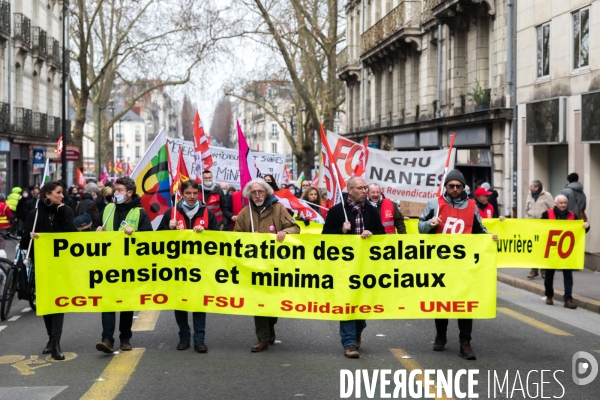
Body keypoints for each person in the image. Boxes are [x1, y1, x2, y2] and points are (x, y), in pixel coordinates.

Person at [418, 170, 497, 360]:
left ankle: (465, 342)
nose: (454, 189)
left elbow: (479, 229)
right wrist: (430, 223)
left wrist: (489, 237)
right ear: (445, 186)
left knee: (465, 303)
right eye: (451, 186)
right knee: (442, 301)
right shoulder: (434, 204)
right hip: (440, 263)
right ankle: (441, 334)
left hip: (464, 264)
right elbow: (420, 229)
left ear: (463, 188)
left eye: (458, 186)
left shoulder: (471, 206)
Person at [234, 178, 300, 352]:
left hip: (275, 265)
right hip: (254, 266)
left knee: (273, 301)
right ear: (249, 194)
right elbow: (235, 237)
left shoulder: (278, 209)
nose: (257, 195)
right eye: (254, 192)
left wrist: (284, 231)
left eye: (260, 192)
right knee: (258, 301)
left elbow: (295, 227)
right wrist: (248, 238)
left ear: (266, 193)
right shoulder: (244, 213)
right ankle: (262, 338)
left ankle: (271, 324)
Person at [322, 177, 385, 358]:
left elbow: (382, 234)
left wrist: (372, 234)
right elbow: (324, 237)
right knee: (347, 302)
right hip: (344, 267)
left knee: (361, 303)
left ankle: (358, 330)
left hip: (365, 267)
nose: (364, 191)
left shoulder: (372, 211)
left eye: (366, 188)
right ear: (349, 190)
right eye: (360, 188)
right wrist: (341, 231)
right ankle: (349, 342)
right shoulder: (336, 211)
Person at [94, 177, 153, 353]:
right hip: (109, 264)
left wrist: (136, 234)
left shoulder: (139, 213)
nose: (115, 193)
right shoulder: (107, 209)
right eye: (115, 189)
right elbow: (95, 234)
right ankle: (107, 339)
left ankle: (125, 338)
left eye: (119, 190)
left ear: (129, 193)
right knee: (108, 302)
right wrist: (97, 232)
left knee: (127, 303)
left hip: (129, 265)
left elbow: (149, 239)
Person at [158, 180, 218, 352]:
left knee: (199, 302)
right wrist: (168, 229)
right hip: (178, 267)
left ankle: (199, 339)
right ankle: (184, 336)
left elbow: (219, 240)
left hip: (200, 267)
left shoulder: (207, 213)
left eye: (194, 193)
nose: (192, 197)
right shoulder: (172, 212)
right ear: (181, 194)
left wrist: (206, 234)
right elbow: (156, 241)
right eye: (188, 194)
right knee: (180, 302)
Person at [20, 181, 77, 360]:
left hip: (61, 267)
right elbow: (24, 242)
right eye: (59, 193)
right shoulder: (35, 214)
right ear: (48, 195)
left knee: (58, 303)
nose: (62, 196)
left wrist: (61, 215)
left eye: (63, 193)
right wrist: (31, 237)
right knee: (46, 304)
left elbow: (72, 236)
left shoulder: (66, 211)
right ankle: (51, 340)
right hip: (42, 266)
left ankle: (56, 343)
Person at [541, 194, 589, 309]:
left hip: (566, 251)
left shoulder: (572, 215)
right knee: (549, 275)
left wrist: (586, 226)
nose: (563, 205)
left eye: (565, 203)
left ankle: (568, 299)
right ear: (556, 204)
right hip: (551, 250)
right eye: (561, 203)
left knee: (568, 275)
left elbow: (579, 231)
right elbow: (540, 229)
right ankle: (549, 296)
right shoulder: (547, 214)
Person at [525, 180, 555, 279]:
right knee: (534, 248)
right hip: (532, 226)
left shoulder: (547, 196)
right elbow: (526, 210)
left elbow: (553, 209)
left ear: (536, 188)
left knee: (543, 248)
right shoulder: (529, 196)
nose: (529, 187)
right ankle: (534, 270)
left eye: (531, 186)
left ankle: (544, 270)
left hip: (544, 226)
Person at [0, 193, 14, 258]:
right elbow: (10, 216)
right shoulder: (5, 206)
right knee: (2, 239)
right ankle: (2, 253)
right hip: (4, 225)